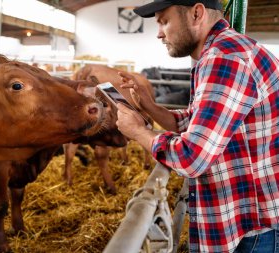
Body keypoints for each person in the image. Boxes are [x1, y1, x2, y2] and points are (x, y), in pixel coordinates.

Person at [115, 0, 279, 252]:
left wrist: (139, 132)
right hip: (247, 220)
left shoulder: (225, 59)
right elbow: (197, 122)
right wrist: (149, 106)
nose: (159, 33)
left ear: (196, 13)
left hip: (250, 231)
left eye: (164, 21)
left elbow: (192, 156)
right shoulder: (223, 51)